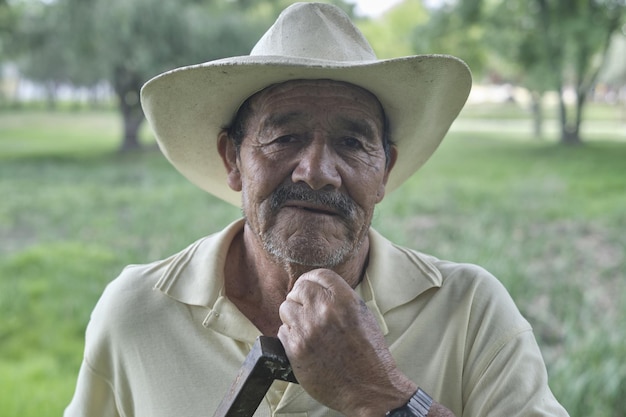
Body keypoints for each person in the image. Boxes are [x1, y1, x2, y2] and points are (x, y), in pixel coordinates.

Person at [65, 3, 569, 417]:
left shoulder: (471, 312)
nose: (317, 171)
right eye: (285, 136)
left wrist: (382, 394)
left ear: (385, 171)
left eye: (352, 142)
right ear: (232, 160)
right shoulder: (137, 313)